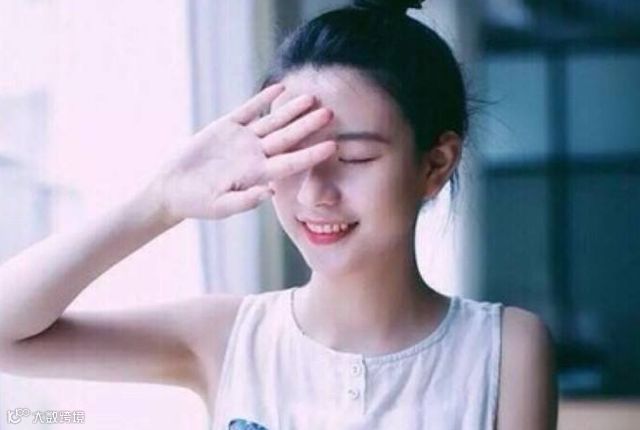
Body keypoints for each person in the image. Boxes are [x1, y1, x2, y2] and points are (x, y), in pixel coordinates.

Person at [0, 0, 558, 428]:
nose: (315, 192)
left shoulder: (505, 349)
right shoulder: (225, 336)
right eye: (289, 156)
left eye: (353, 159)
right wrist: (159, 202)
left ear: (435, 165)